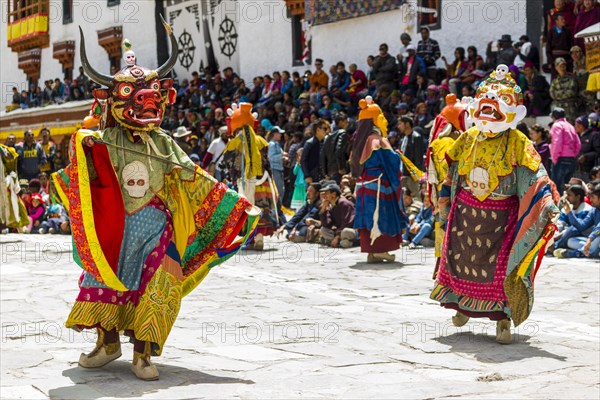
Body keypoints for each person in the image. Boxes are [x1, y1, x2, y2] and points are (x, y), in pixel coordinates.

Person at [58, 25, 259, 381]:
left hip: (158, 229)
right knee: (103, 277)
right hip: (117, 231)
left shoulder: (164, 141)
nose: (147, 100)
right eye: (132, 93)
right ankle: (107, 342)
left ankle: (143, 353)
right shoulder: (103, 138)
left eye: (153, 92)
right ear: (111, 99)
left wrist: (234, 203)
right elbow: (82, 179)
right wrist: (84, 147)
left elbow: (194, 177)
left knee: (161, 284)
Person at [431, 66, 559, 344]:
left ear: (516, 113)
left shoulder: (517, 142)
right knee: (460, 264)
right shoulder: (467, 138)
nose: (489, 110)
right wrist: (443, 200)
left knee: (501, 271)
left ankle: (503, 321)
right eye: (485, 101)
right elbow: (451, 173)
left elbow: (535, 175)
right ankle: (460, 304)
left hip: (502, 220)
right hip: (464, 214)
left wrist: (547, 201)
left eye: (499, 103)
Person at [351, 97, 408, 263]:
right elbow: (391, 161)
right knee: (382, 213)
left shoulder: (361, 140)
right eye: (381, 117)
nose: (385, 121)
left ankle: (371, 251)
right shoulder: (378, 140)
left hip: (364, 183)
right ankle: (381, 249)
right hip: (378, 183)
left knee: (368, 215)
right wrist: (397, 155)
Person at [554, 184, 600, 258]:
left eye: (593, 197)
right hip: (594, 242)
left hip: (596, 238)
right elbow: (581, 226)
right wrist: (569, 212)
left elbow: (598, 228)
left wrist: (590, 239)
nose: (590, 200)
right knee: (571, 241)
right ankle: (591, 251)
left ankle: (578, 253)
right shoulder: (594, 211)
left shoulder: (587, 208)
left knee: (598, 236)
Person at [550, 108, 581, 192]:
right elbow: (578, 144)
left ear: (554, 116)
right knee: (568, 187)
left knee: (557, 188)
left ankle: (559, 205)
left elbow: (557, 143)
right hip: (571, 160)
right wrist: (572, 155)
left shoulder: (557, 125)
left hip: (560, 159)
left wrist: (554, 159)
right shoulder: (570, 126)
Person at [319, 183, 357, 249]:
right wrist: (323, 209)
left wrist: (337, 236)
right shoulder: (331, 205)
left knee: (346, 231)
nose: (324, 195)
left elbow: (348, 223)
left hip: (350, 230)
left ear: (333, 194)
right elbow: (327, 224)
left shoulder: (343, 203)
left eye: (326, 193)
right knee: (323, 230)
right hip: (339, 231)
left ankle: (345, 241)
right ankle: (341, 242)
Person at [550, 58, 579, 122]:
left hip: (570, 108)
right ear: (556, 68)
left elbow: (571, 92)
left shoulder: (571, 78)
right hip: (559, 108)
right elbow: (552, 94)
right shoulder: (555, 80)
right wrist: (564, 92)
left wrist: (559, 94)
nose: (562, 68)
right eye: (560, 66)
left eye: (563, 66)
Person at [301, 119, 329, 184]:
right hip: (312, 177)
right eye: (324, 129)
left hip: (324, 177)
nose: (327, 131)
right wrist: (307, 176)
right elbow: (303, 160)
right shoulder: (309, 143)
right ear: (318, 129)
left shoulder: (326, 143)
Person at [576, 115, 600, 181]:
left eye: (577, 125)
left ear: (582, 126)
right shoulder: (576, 136)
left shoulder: (594, 135)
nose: (575, 127)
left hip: (588, 170)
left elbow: (598, 152)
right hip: (576, 169)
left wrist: (586, 156)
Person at [268, 126, 286, 204]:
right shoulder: (272, 144)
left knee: (281, 190)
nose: (281, 135)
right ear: (274, 134)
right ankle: (277, 210)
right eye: (279, 133)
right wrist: (282, 156)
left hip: (279, 169)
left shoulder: (277, 144)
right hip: (275, 169)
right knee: (279, 190)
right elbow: (271, 157)